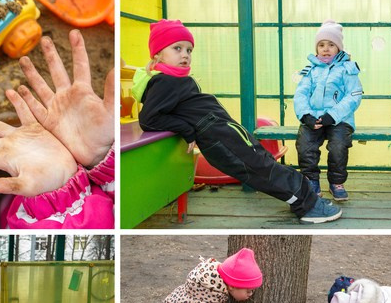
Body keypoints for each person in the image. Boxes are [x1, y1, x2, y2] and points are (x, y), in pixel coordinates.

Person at [139, 20, 341, 223]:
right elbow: (149, 118)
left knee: (262, 163)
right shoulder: (164, 81)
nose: (185, 55)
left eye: (189, 50)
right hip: (216, 135)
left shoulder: (177, 80)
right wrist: (186, 130)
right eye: (177, 48)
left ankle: (302, 199)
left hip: (223, 130)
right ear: (157, 54)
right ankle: (309, 206)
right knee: (260, 167)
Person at [0, 32, 119, 230]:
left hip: (36, 211)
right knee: (12, 198)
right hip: (43, 197)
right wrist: (102, 157)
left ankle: (2, 215)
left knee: (11, 202)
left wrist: (59, 186)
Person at [293, 21, 361, 202]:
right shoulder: (311, 70)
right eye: (322, 45)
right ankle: (311, 180)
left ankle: (336, 182)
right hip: (314, 117)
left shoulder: (347, 69)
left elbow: (354, 96)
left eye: (331, 45)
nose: (326, 49)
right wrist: (306, 115)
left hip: (339, 118)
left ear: (339, 48)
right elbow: (301, 94)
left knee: (339, 145)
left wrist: (333, 116)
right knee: (305, 144)